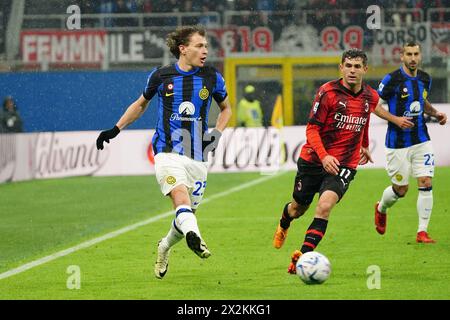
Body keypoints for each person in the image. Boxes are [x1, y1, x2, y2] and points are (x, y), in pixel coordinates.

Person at [96, 25, 232, 279]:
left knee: (187, 214)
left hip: (197, 156)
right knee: (179, 198)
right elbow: (140, 105)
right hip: (166, 152)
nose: (205, 50)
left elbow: (227, 110)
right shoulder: (161, 76)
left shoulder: (212, 77)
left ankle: (164, 246)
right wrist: (115, 129)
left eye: (206, 46)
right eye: (199, 46)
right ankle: (197, 238)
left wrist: (217, 134)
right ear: (183, 49)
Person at [272, 48, 414, 274]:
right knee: (298, 208)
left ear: (365, 69)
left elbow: (365, 116)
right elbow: (312, 129)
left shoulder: (369, 95)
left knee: (325, 205)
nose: (352, 71)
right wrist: (324, 155)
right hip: (314, 159)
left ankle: (302, 258)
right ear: (341, 67)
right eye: (348, 66)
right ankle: (284, 222)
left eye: (357, 67)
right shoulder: (327, 92)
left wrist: (364, 144)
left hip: (345, 163)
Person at [374, 41, 447, 243]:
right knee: (401, 190)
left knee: (426, 182)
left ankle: (422, 231)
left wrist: (435, 113)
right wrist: (396, 119)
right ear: (402, 56)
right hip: (397, 143)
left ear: (420, 56)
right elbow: (376, 106)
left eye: (416, 54)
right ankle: (381, 208)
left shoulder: (425, 79)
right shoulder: (392, 79)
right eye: (409, 54)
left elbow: (421, 101)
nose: (413, 58)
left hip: (422, 139)